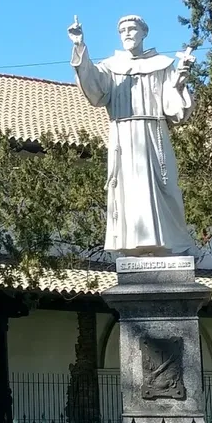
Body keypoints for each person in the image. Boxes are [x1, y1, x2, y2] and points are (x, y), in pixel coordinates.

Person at [67, 14, 195, 256]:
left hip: (154, 134)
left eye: (132, 28)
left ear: (144, 33)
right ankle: (131, 247)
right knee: (128, 191)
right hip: (123, 137)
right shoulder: (111, 67)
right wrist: (79, 46)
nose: (127, 33)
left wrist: (179, 81)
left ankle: (173, 245)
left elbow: (173, 109)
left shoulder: (163, 65)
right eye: (122, 29)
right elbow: (94, 88)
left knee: (165, 188)